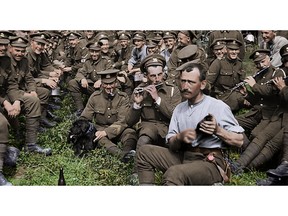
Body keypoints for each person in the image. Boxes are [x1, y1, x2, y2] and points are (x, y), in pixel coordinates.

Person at [136, 62, 245, 185]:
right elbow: (171, 144)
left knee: (175, 173)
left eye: (191, 82)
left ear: (202, 84)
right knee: (144, 152)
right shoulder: (179, 109)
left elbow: (239, 141)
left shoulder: (218, 106)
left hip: (209, 162)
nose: (185, 86)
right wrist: (179, 138)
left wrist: (217, 130)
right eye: (183, 81)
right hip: (184, 156)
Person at [126, 54, 182, 183]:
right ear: (146, 76)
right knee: (145, 137)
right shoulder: (140, 90)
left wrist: (157, 99)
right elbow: (129, 122)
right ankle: (136, 173)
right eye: (152, 76)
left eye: (160, 74)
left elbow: (175, 115)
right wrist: (137, 104)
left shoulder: (173, 90)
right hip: (149, 128)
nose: (157, 79)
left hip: (168, 129)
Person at [231, 48, 286, 174]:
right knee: (231, 122)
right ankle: (244, 154)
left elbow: (270, 93)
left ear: (269, 59)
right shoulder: (260, 75)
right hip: (257, 112)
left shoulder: (277, 73)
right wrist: (246, 94)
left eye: (263, 61)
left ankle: (252, 161)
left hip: (270, 114)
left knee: (257, 135)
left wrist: (254, 85)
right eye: (257, 63)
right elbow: (258, 100)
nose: (260, 65)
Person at [0, 33, 52, 157]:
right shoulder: (6, 60)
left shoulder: (11, 61)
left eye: (22, 51)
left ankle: (31, 145)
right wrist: (6, 103)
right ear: (10, 48)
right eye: (17, 50)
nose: (20, 53)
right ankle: (16, 132)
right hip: (4, 97)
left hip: (12, 93)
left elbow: (16, 83)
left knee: (33, 100)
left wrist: (22, 97)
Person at [79, 69, 137, 162]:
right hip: (100, 128)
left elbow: (123, 121)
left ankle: (128, 152)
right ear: (101, 83)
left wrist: (107, 132)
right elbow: (85, 117)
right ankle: (121, 155)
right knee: (98, 137)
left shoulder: (123, 97)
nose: (109, 86)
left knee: (131, 133)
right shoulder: (95, 97)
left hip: (119, 128)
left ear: (116, 83)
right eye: (105, 84)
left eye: (112, 83)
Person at [67, 42, 112, 116]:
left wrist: (101, 80)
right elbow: (80, 72)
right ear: (89, 51)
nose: (94, 54)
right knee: (73, 83)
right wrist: (82, 79)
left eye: (96, 51)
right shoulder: (87, 62)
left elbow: (111, 73)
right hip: (92, 87)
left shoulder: (106, 61)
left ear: (100, 51)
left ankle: (102, 110)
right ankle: (80, 109)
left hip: (104, 88)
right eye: (92, 51)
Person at [206, 39, 246, 113]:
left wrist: (243, 88)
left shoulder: (239, 63)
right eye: (231, 49)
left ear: (239, 51)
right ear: (226, 50)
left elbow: (241, 80)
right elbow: (208, 83)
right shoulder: (218, 62)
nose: (234, 52)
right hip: (222, 96)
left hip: (235, 93)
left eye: (236, 49)